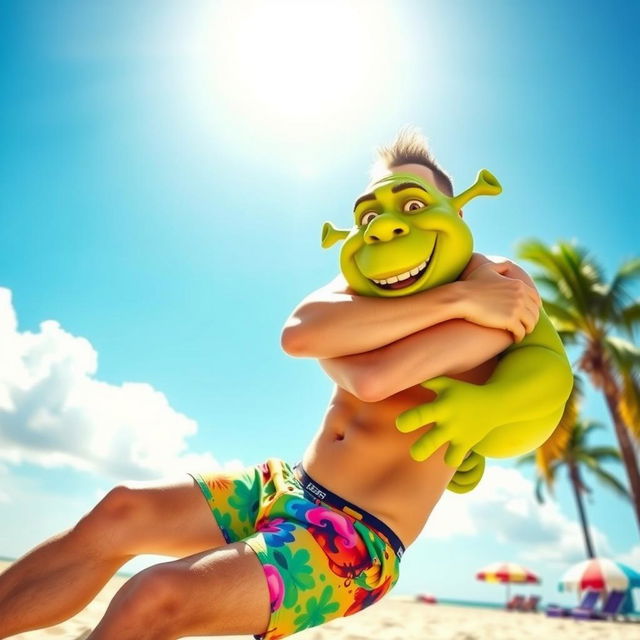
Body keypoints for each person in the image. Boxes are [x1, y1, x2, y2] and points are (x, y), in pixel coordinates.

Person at [0, 128, 549, 640]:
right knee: (120, 510)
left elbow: (397, 377)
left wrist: (364, 355)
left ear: (452, 209)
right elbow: (299, 333)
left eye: (409, 202)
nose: (384, 225)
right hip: (286, 483)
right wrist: (453, 302)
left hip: (356, 541)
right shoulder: (378, 279)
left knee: (155, 594)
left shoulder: (497, 280)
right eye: (369, 211)